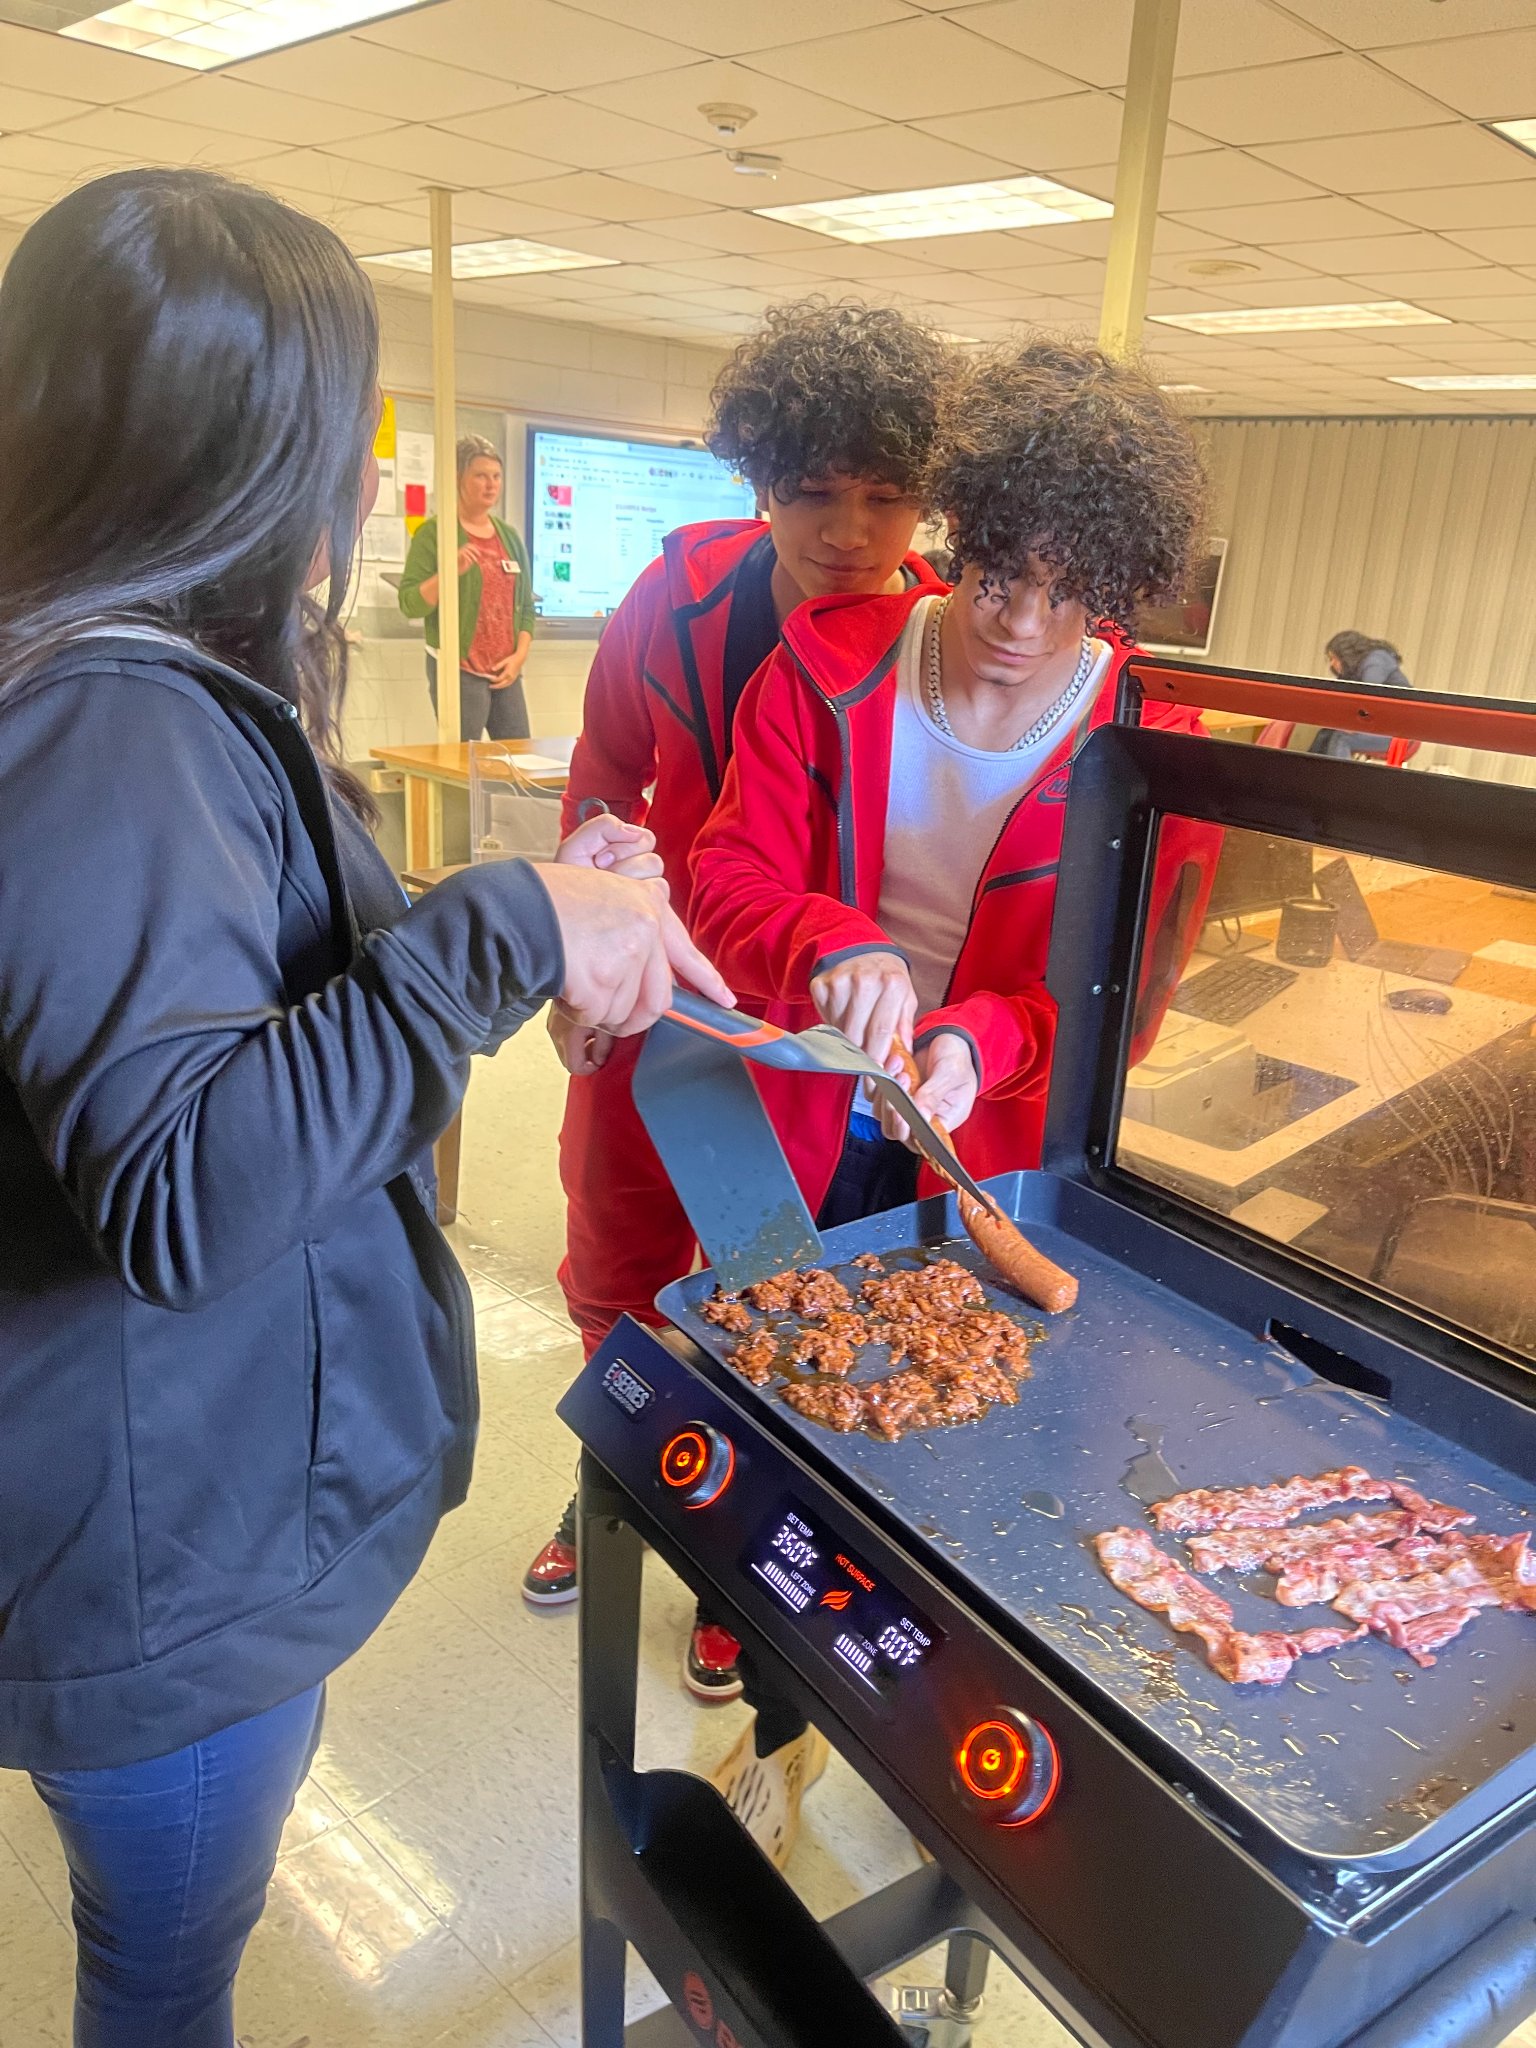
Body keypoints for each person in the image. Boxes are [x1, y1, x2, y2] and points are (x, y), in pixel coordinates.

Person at [0, 168, 731, 2048]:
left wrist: (526, 934)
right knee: (163, 1978)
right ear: (251, 449)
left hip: (175, 1515)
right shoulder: (109, 723)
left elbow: (258, 995)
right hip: (155, 1561)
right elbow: (180, 1182)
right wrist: (501, 928)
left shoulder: (151, 694)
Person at [688, 336, 1214, 1860]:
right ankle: (782, 1730)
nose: (1021, 625)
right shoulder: (835, 659)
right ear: (958, 538)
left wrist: (983, 1038)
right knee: (796, 1444)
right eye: (998, 578)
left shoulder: (1148, 751)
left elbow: (1118, 1010)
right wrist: (831, 940)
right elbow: (727, 870)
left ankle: (953, 1777)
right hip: (808, 1131)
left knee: (968, 1471)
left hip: (988, 1168)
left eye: (1067, 594)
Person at [522, 303, 951, 1680]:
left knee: (767, 1287)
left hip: (812, 1030)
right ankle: (609, 1488)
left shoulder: (935, 633)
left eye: (886, 498)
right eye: (813, 493)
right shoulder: (681, 593)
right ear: (758, 480)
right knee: (612, 1261)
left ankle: (734, 1540)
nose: (850, 531)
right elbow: (604, 762)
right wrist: (601, 861)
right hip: (661, 995)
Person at [398, 433, 535, 740]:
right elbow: (409, 602)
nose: (491, 485)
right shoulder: (434, 533)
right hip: (459, 670)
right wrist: (449, 572)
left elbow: (526, 608)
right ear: (458, 479)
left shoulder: (509, 537)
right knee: (461, 765)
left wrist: (519, 657)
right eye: (480, 476)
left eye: (496, 476)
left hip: (506, 672)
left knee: (520, 763)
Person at [1312, 630, 1414, 759]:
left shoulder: (1376, 661)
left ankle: (1340, 778)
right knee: (1326, 734)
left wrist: (1354, 725)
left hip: (1399, 732)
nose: (1332, 663)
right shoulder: (1355, 671)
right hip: (1382, 728)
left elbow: (1369, 698)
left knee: (1341, 737)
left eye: (1334, 658)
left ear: (1346, 654)